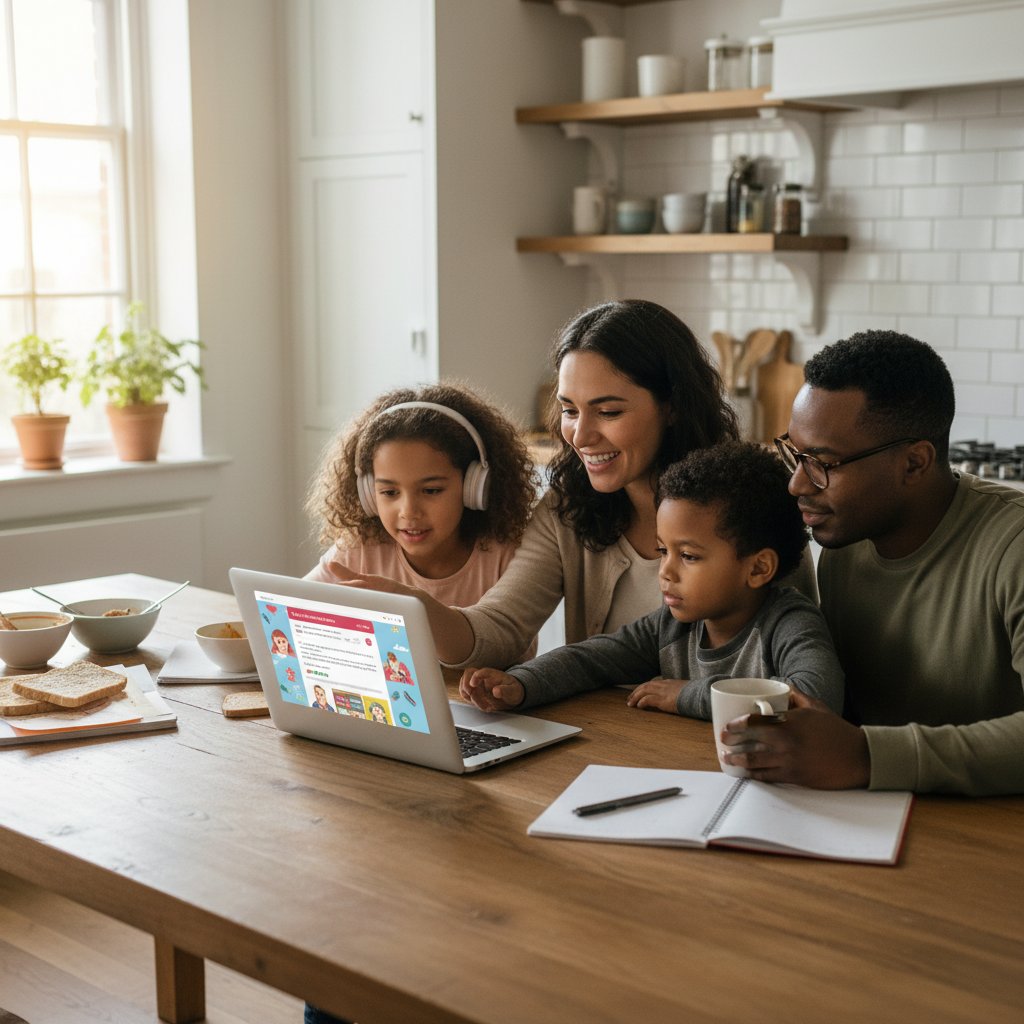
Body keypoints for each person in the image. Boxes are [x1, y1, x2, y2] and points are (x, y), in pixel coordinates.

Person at [331, 300, 821, 672]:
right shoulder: (568, 507)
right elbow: (500, 627)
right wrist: (415, 607)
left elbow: (788, 662)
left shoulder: (755, 504)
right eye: (569, 410)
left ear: (672, 406)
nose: (580, 436)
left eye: (608, 412)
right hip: (604, 744)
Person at [720, 330, 1024, 796]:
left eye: (822, 462)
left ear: (915, 463)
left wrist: (865, 755)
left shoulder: (1013, 547)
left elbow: (860, 748)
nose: (797, 484)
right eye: (795, 454)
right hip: (871, 816)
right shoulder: (844, 542)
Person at [459, 441, 844, 718]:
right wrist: (522, 684)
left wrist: (687, 697)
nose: (666, 572)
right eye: (664, 551)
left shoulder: (790, 624)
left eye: (689, 556)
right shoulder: (672, 626)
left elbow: (810, 699)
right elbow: (591, 660)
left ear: (758, 568)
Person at [305, 381, 539, 659]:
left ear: (473, 487)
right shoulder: (360, 549)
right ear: (368, 494)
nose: (409, 511)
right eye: (389, 492)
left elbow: (518, 654)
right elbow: (292, 609)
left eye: (431, 491)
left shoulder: (504, 555)